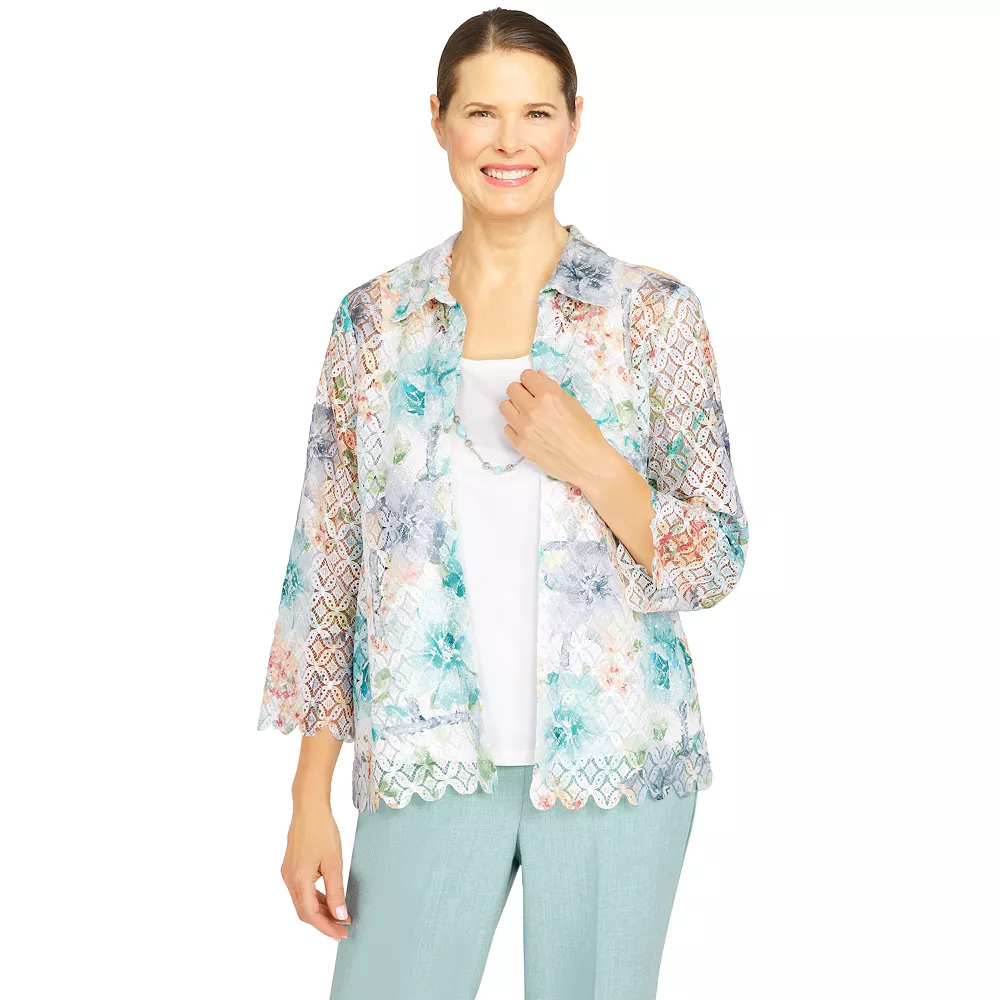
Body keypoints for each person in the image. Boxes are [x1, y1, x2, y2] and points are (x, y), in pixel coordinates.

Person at [256, 8, 749, 999]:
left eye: (536, 113)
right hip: (425, 755)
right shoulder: (374, 322)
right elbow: (327, 569)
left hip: (618, 759)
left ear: (575, 123)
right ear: (438, 120)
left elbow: (715, 558)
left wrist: (595, 463)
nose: (509, 141)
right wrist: (310, 794)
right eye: (481, 112)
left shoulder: (652, 314)